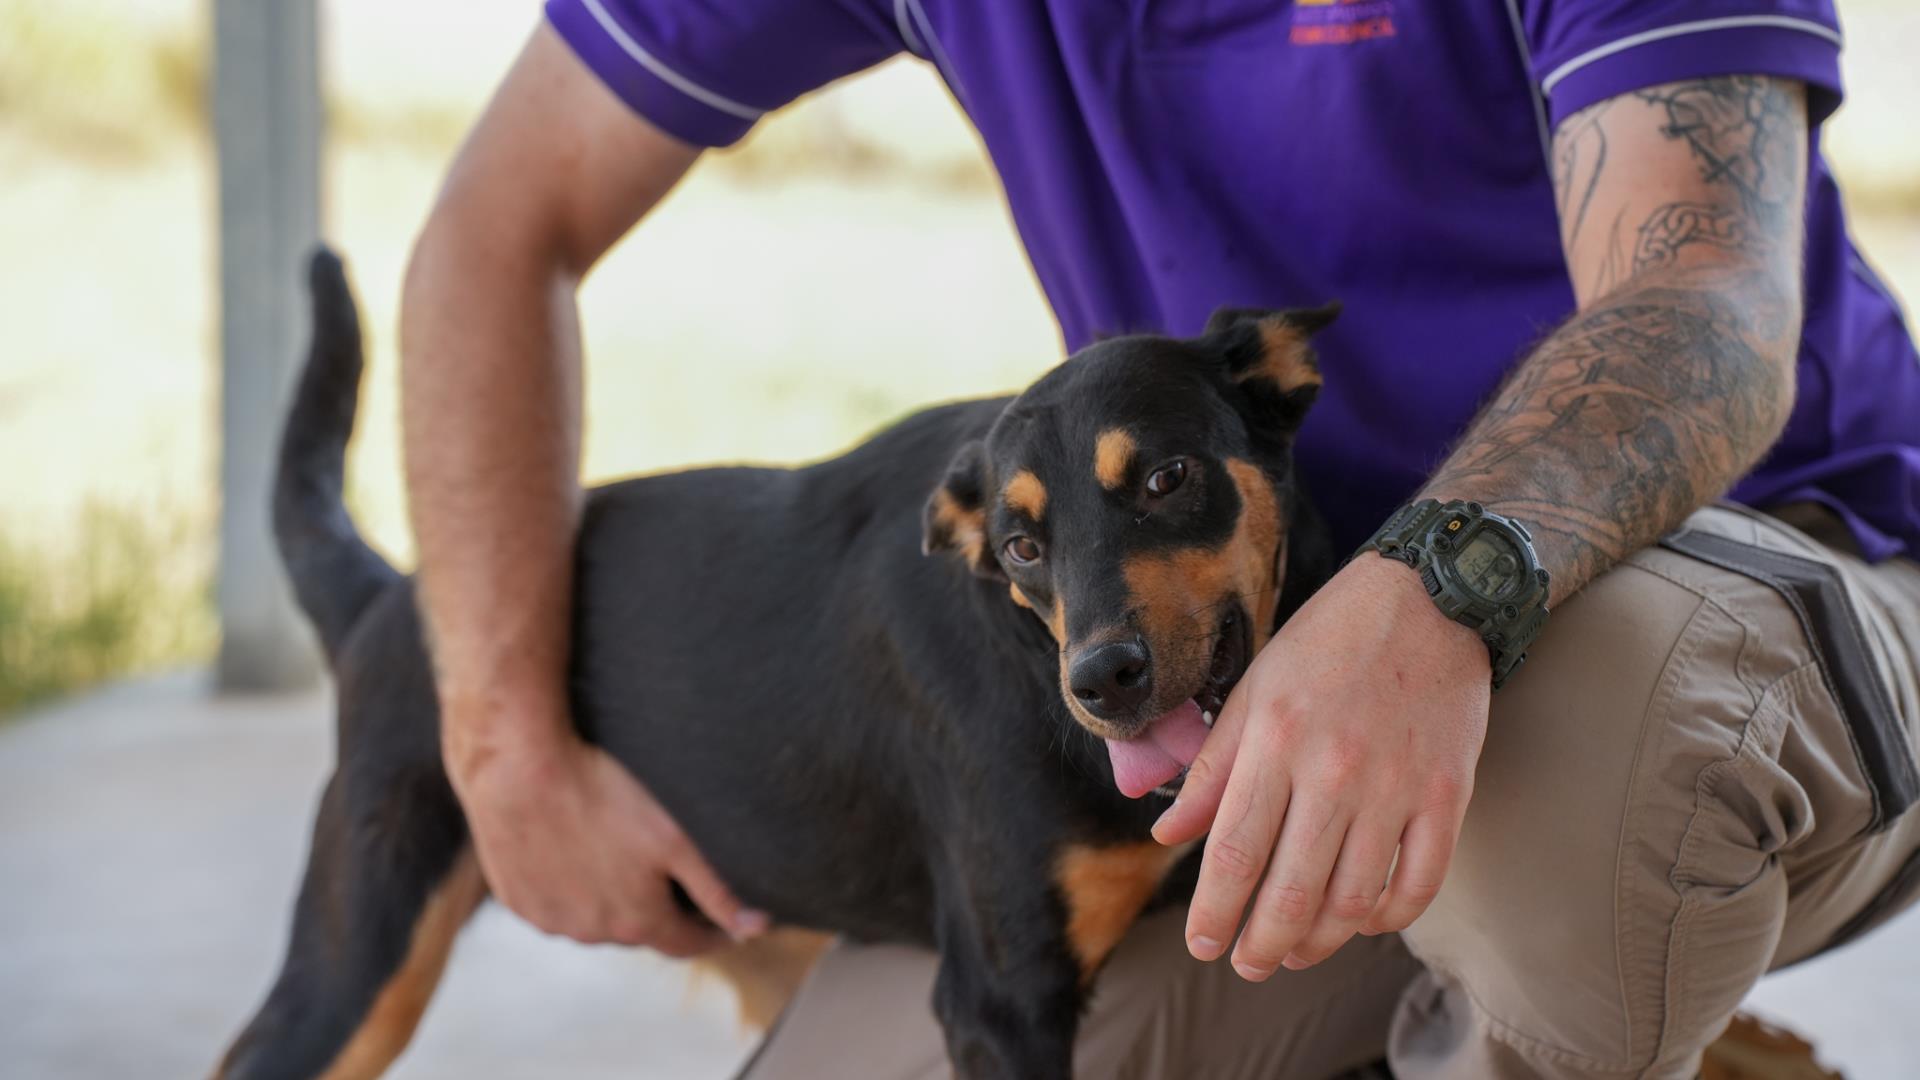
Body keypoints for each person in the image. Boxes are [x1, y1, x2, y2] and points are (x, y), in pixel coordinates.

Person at [400, 2, 1920, 1076]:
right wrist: (500, 744)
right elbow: (498, 222)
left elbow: (1703, 300)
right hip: (1252, 670)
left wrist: (1428, 596)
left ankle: (1608, 1006)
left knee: (1569, 802)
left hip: (1749, 556)